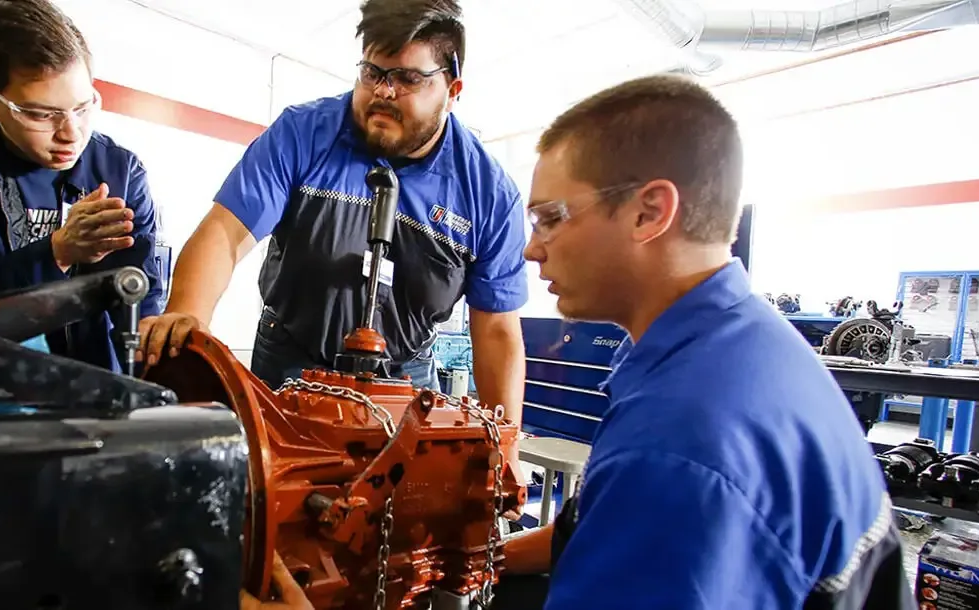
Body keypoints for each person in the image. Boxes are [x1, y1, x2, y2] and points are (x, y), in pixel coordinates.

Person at [499, 75, 914, 609]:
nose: (532, 250)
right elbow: (598, 528)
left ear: (649, 213)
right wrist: (482, 558)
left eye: (550, 218)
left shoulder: (680, 440)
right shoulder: (738, 343)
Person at [137, 0, 527, 425]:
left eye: (407, 79)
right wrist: (188, 312)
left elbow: (496, 331)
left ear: (452, 92)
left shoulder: (488, 192)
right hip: (290, 358)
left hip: (405, 376)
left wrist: (502, 444)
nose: (383, 91)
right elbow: (226, 232)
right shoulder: (302, 134)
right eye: (372, 72)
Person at [0, 0, 166, 372]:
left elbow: (142, 298)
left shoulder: (119, 170)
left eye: (83, 106)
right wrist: (57, 252)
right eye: (43, 115)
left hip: (93, 383)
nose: (71, 134)